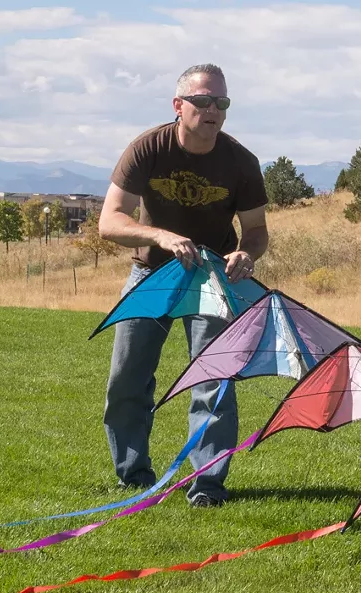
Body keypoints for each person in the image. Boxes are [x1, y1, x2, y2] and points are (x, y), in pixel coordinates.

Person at [98, 63, 268, 506]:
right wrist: (160, 236)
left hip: (212, 280)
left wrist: (246, 253)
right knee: (128, 378)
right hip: (152, 275)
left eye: (221, 102)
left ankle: (207, 486)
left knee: (214, 380)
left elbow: (256, 230)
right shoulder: (147, 149)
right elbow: (110, 221)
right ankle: (134, 477)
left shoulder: (241, 162)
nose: (213, 110)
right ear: (178, 105)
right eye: (203, 101)